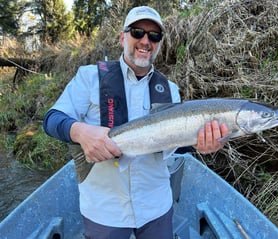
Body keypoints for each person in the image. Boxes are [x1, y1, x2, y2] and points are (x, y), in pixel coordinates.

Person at [43, 6, 228, 239]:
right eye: (137, 32)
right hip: (104, 211)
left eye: (154, 36)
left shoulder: (171, 91)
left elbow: (172, 145)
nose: (145, 41)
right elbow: (52, 119)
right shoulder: (89, 76)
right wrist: (79, 132)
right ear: (122, 37)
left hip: (157, 208)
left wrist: (199, 145)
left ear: (159, 43)